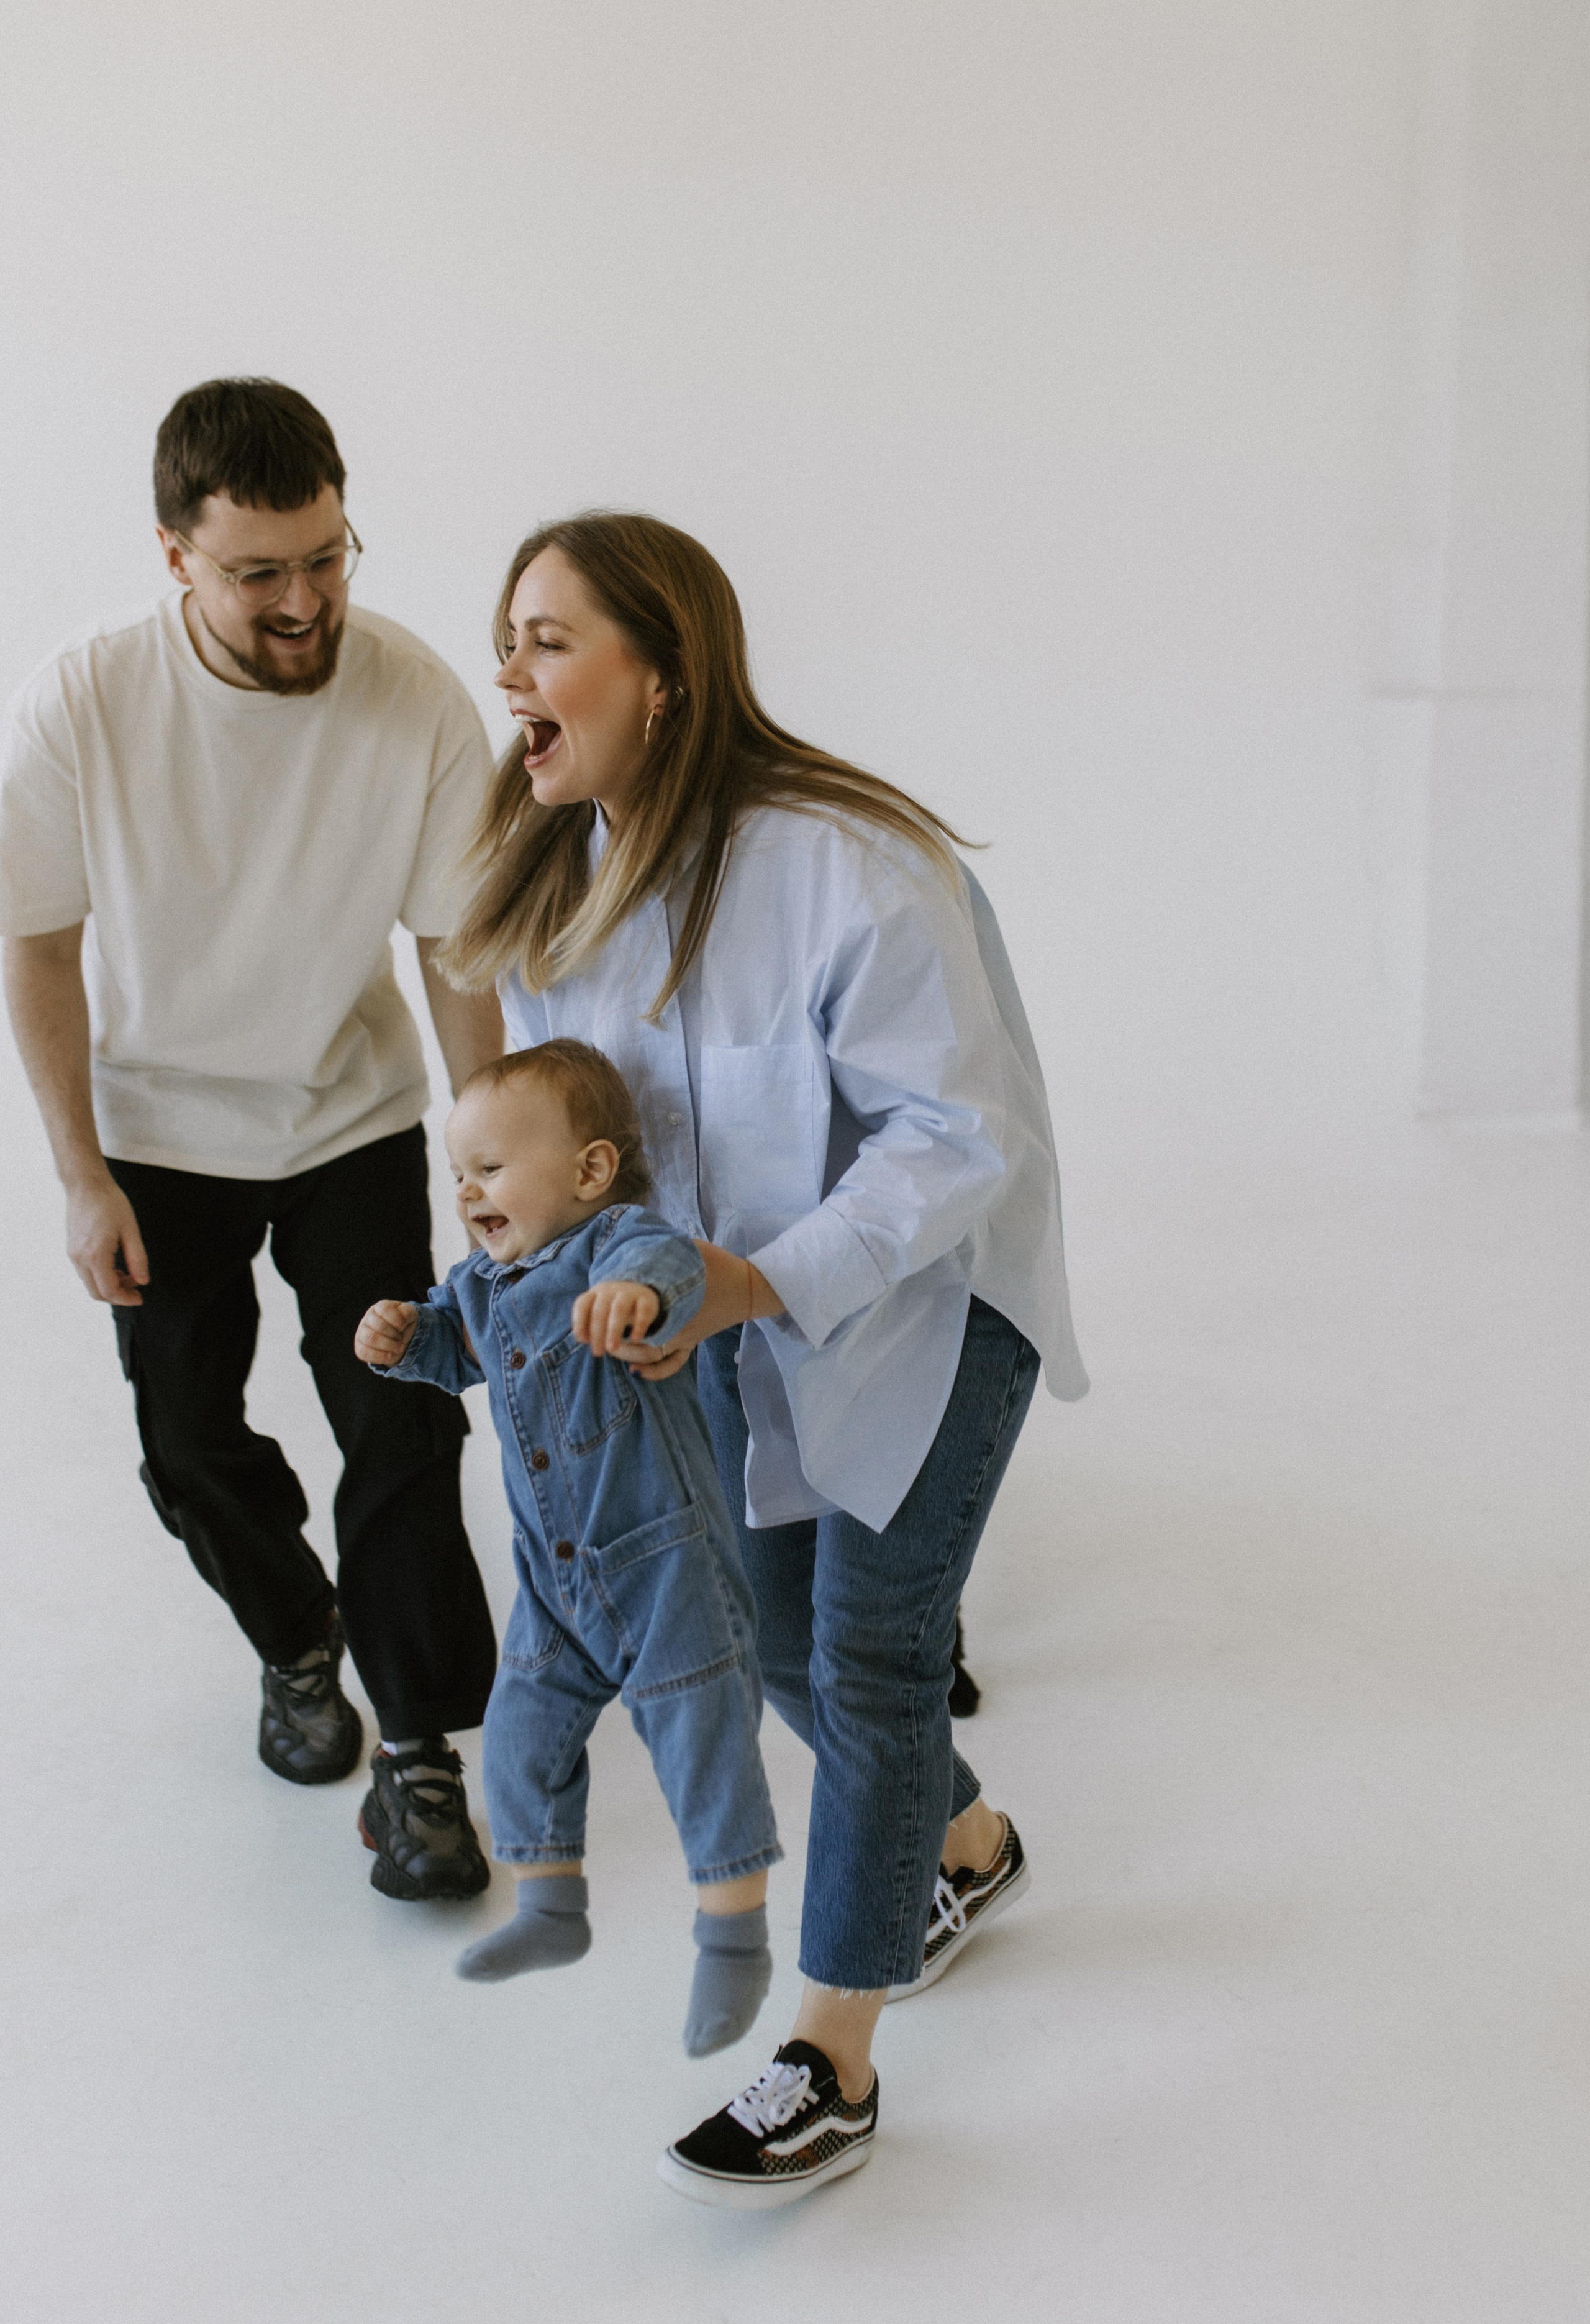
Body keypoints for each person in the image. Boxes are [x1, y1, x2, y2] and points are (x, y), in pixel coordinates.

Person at [437, 510, 1088, 2206]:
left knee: (869, 1658)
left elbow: (959, 1146)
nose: (511, 670)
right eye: (507, 635)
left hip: (931, 1304)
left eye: (547, 636)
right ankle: (963, 1843)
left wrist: (757, 1279)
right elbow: (570, 1157)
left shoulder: (849, 863)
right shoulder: (558, 891)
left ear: (660, 673)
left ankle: (834, 2054)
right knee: (785, 1643)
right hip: (729, 1326)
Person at [0, 377, 504, 1902]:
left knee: (399, 1420)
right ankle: (298, 1639)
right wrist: (83, 1175)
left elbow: (457, 953)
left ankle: (421, 1758)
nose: (305, 601)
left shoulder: (413, 698)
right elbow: (35, 942)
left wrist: (486, 1172)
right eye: (259, 572)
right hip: (159, 1133)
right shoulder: (87, 701)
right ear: (176, 556)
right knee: (186, 1441)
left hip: (346, 1116)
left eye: (329, 556)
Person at [357, 1038, 782, 2055]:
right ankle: (552, 1908)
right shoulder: (481, 1284)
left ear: (590, 1170)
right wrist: (404, 1337)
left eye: (492, 1168)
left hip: (663, 1564)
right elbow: (456, 1349)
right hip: (553, 1580)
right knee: (516, 1739)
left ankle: (734, 1943)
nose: (468, 1191)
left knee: (701, 1742)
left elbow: (669, 1266)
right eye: (458, 1173)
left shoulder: (617, 1243)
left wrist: (643, 1299)